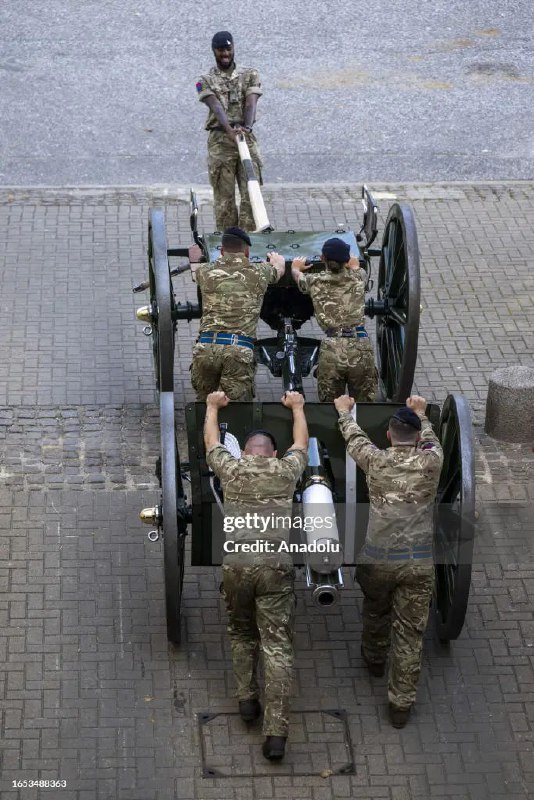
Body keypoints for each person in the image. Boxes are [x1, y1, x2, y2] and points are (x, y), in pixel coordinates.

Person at [204, 390, 309, 761]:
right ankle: (276, 734)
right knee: (277, 647)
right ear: (273, 454)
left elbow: (212, 441)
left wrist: (212, 407)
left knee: (241, 631)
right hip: (275, 569)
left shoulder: (231, 469)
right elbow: (302, 442)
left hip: (237, 567)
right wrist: (297, 407)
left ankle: (247, 699)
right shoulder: (285, 471)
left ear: (245, 452)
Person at [334, 394, 443, 728]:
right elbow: (430, 439)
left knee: (376, 610)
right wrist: (422, 414)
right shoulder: (432, 461)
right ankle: (400, 706)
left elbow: (354, 438)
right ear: (417, 438)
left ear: (388, 436)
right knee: (410, 636)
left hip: (379, 559)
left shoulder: (376, 461)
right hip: (418, 563)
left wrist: (343, 412)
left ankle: (374, 658)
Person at [192, 226, 285, 400]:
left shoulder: (204, 272)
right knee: (237, 411)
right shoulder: (260, 272)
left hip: (206, 349)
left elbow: (199, 269)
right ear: (247, 251)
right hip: (238, 351)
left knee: (204, 404)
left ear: (221, 250)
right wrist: (276, 259)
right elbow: (279, 270)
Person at [291, 237, 377, 402]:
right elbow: (356, 266)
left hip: (332, 349)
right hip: (360, 346)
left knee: (330, 408)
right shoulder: (359, 277)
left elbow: (298, 276)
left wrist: (296, 267)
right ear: (346, 260)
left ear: (323, 258)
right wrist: (352, 262)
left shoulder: (314, 282)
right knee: (366, 407)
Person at [196, 31, 263, 231]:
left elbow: (252, 102)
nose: (225, 54)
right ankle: (228, 248)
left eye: (228, 49)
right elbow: (215, 106)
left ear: (233, 48)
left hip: (245, 137)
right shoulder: (204, 80)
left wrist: (247, 127)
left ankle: (249, 244)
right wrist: (229, 131)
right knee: (224, 201)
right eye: (220, 50)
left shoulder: (250, 74)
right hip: (221, 141)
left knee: (252, 194)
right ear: (214, 51)